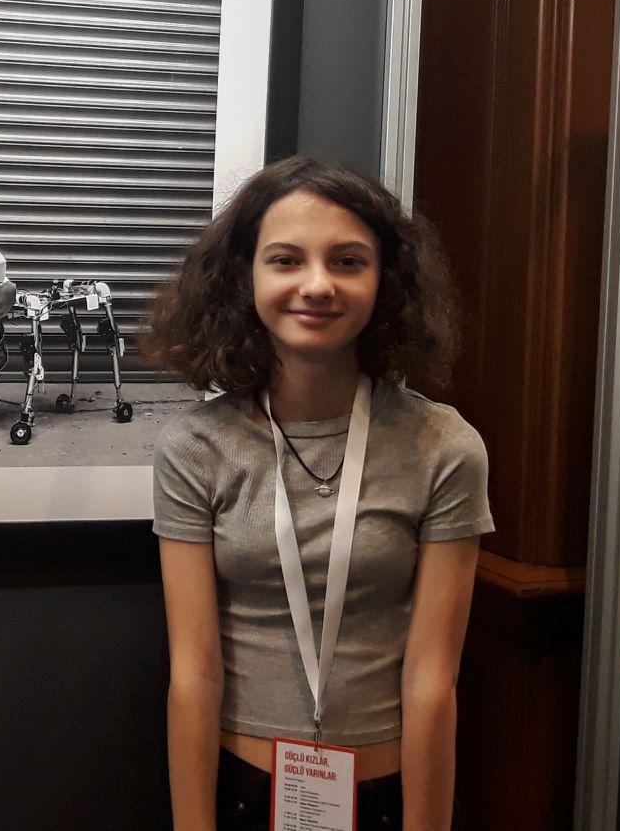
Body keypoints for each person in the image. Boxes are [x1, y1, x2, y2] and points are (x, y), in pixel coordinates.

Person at [142, 156, 490, 831]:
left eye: (348, 261)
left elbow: (431, 681)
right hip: (244, 794)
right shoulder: (195, 448)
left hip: (387, 798)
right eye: (285, 260)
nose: (317, 285)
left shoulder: (443, 447)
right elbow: (194, 673)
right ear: (246, 276)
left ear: (385, 279)